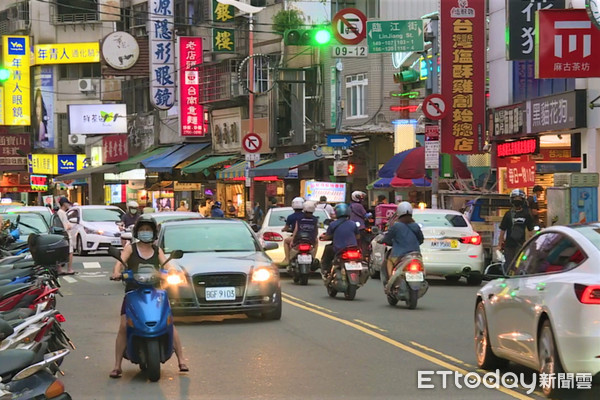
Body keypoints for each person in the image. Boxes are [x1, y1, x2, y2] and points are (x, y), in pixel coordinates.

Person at [109, 219, 188, 378]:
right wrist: (117, 272)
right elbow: (120, 262)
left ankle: (181, 360)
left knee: (168, 322)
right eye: (142, 229)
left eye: (148, 229)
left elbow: (167, 266)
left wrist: (172, 273)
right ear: (137, 232)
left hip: (156, 292)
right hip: (133, 292)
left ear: (153, 233)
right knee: (124, 325)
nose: (146, 232)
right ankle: (117, 366)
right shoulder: (131, 248)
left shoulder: (157, 250)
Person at [379, 202, 424, 291]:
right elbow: (421, 240)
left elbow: (387, 238)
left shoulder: (396, 226)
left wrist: (381, 241)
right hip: (415, 254)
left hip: (399, 255)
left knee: (389, 261)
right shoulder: (415, 226)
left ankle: (390, 281)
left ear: (398, 213)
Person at [319, 203, 360, 278]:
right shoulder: (353, 224)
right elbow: (358, 236)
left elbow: (327, 236)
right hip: (353, 248)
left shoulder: (333, 224)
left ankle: (326, 271)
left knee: (328, 249)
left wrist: (323, 237)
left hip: (339, 249)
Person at [498, 189, 535, 268]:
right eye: (515, 199)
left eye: (519, 199)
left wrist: (528, 243)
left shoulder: (526, 214)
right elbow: (502, 230)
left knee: (519, 266)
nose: (517, 201)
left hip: (521, 245)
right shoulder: (508, 214)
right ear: (512, 200)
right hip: (509, 245)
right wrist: (499, 245)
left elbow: (531, 230)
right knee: (508, 265)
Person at [290, 201, 319, 270]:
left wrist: (292, 240)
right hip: (310, 240)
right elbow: (316, 231)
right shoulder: (315, 219)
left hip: (299, 239)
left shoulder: (299, 218)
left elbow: (296, 230)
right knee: (317, 242)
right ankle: (313, 257)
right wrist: (314, 239)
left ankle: (288, 260)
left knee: (286, 241)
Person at [281, 197, 305, 267]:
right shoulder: (306, 216)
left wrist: (283, 229)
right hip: (308, 237)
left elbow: (286, 228)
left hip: (296, 238)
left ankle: (287, 259)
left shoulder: (290, 217)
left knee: (286, 241)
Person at [349, 190, 372, 256]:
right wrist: (371, 214)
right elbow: (366, 215)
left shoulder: (351, 205)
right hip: (360, 227)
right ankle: (364, 254)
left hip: (352, 227)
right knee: (363, 241)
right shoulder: (358, 206)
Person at [56, 197, 75, 275]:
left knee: (61, 252)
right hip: (65, 234)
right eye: (67, 203)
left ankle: (60, 269)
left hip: (62, 235)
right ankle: (69, 269)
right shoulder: (62, 213)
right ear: (64, 204)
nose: (68, 205)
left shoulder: (60, 212)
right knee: (70, 252)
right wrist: (69, 226)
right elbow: (64, 226)